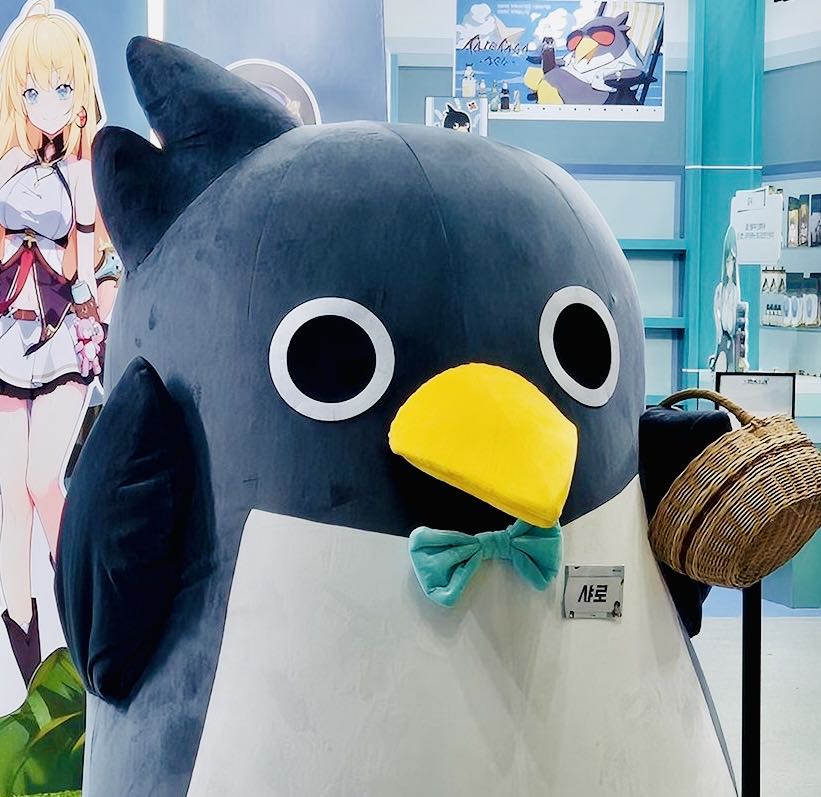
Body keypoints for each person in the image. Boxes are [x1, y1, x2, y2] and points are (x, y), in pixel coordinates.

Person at [0, 0, 116, 688]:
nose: (47, 103)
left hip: (64, 332)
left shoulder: (86, 166)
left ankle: (93, 615)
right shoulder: (8, 163)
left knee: (45, 480)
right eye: (32, 89)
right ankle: (29, 668)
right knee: (10, 496)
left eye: (61, 87)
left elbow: (88, 259)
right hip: (7, 333)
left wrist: (92, 292)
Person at [710, 226, 741, 373]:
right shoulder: (720, 290)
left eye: (732, 262)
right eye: (728, 262)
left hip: (732, 340)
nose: (730, 266)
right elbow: (717, 315)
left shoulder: (735, 291)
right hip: (722, 339)